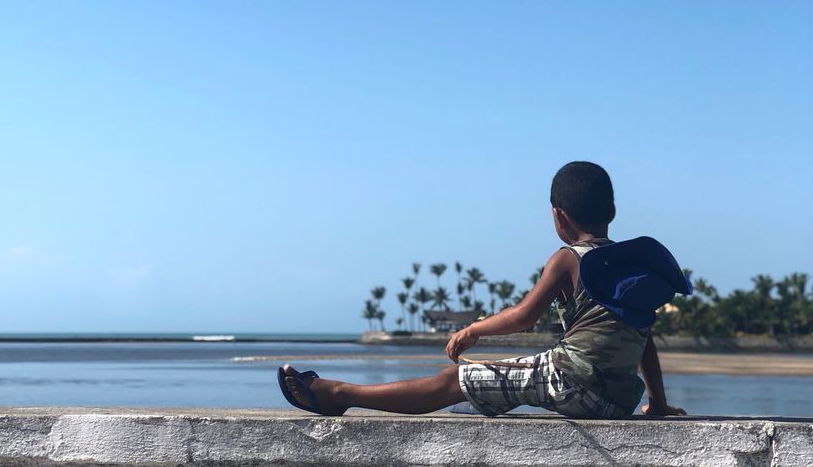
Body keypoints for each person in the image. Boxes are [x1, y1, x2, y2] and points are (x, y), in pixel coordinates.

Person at [278, 161, 689, 420]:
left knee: (454, 378)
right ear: (612, 213)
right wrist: (657, 402)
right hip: (617, 401)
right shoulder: (631, 267)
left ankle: (337, 395)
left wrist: (474, 330)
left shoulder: (569, 258)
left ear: (558, 217)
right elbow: (644, 338)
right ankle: (476, 396)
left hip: (572, 385)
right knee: (493, 382)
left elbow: (525, 316)